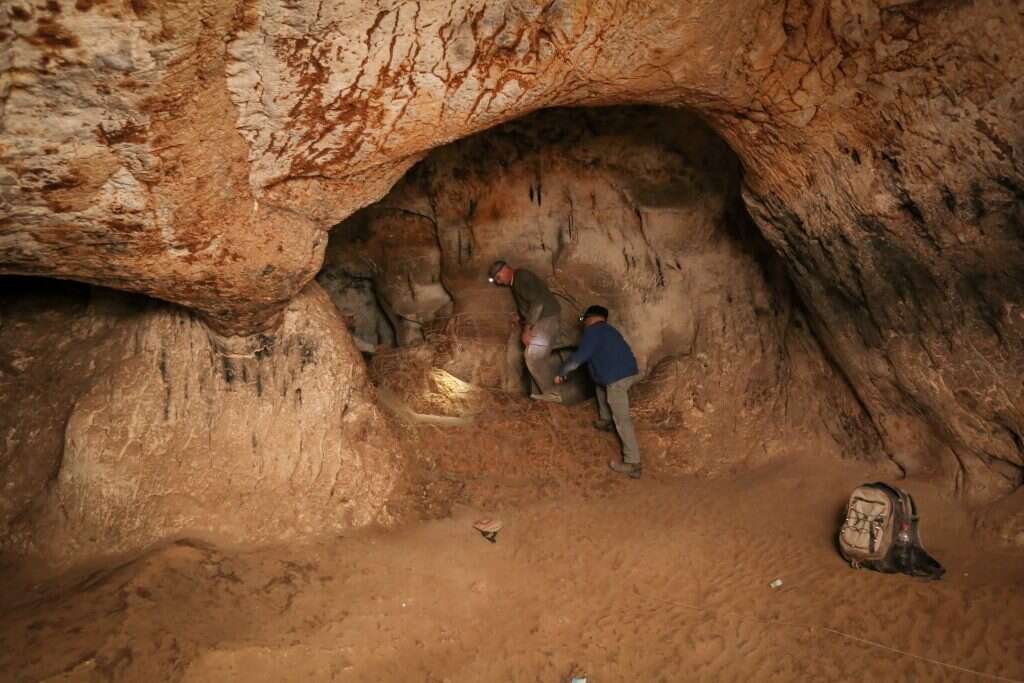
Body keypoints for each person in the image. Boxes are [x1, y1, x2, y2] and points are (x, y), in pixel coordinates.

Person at [555, 305, 642, 478]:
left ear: (590, 318)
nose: (584, 323)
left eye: (584, 319)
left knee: (622, 419)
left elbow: (579, 358)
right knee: (600, 385)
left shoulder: (592, 332)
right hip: (629, 372)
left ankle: (633, 463)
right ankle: (605, 420)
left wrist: (562, 372)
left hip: (617, 379)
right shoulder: (609, 331)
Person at [488, 260, 562, 402]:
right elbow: (531, 304)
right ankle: (540, 396)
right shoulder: (515, 283)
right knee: (531, 356)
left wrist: (527, 329)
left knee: (533, 356)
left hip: (546, 318)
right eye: (496, 279)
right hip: (543, 318)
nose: (498, 281)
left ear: (506, 269)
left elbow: (538, 304)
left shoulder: (521, 277)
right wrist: (521, 317)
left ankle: (553, 394)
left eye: (498, 277)